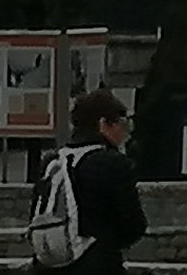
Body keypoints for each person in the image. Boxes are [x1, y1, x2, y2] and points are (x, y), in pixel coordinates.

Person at [64, 89, 145, 275]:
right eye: (120, 123)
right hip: (97, 263)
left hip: (50, 264)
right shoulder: (113, 163)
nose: (123, 131)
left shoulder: (52, 161)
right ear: (103, 124)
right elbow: (133, 224)